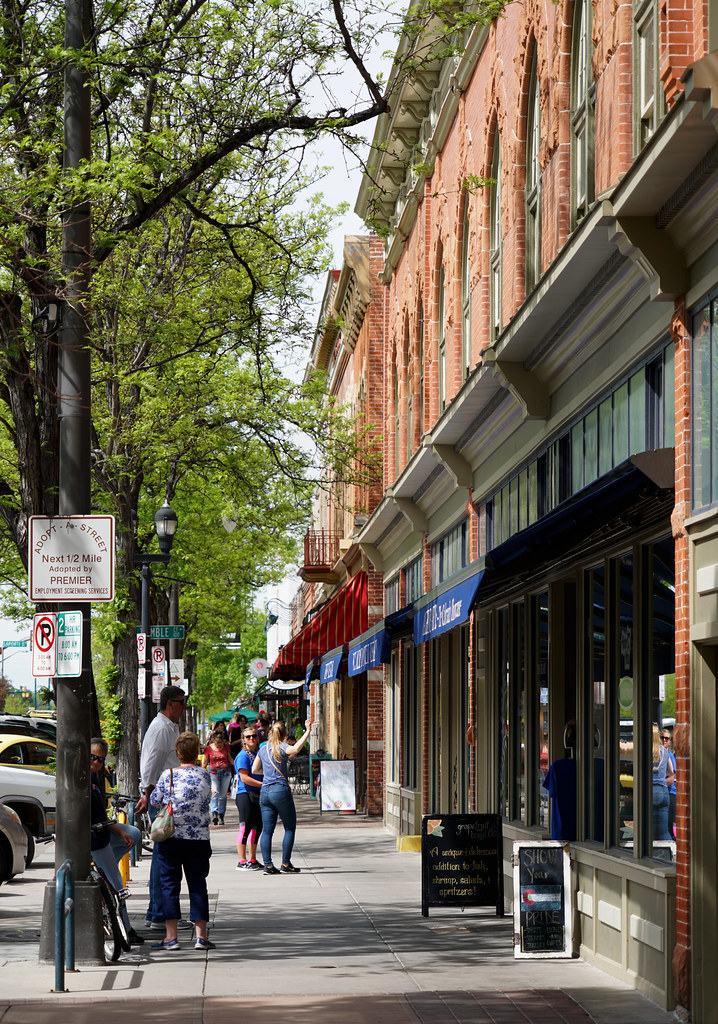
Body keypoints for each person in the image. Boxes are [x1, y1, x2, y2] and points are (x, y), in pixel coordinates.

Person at [149, 731, 215, 952]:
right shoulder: (205, 775)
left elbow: (154, 800)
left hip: (171, 837)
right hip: (198, 839)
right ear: (197, 752)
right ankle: (201, 936)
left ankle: (171, 937)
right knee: (198, 885)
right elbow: (207, 800)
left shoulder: (167, 775)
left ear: (177, 753)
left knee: (170, 885)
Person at [135, 685, 186, 931]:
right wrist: (146, 794)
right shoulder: (161, 729)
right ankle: (158, 913)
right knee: (164, 858)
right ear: (170, 704)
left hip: (165, 799)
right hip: (162, 801)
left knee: (165, 858)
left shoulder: (168, 727)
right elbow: (150, 764)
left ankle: (159, 912)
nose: (184, 707)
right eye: (181, 702)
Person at [90, 745, 144, 946]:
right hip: (95, 839)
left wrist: (119, 831)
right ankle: (126, 931)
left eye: (102, 759)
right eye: (93, 757)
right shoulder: (83, 779)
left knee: (134, 833)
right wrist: (117, 831)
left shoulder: (95, 777)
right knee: (118, 886)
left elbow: (102, 816)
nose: (97, 762)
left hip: (102, 832)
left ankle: (108, 863)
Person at [252, 718, 310, 875]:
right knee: (289, 827)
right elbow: (296, 749)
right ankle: (285, 863)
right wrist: (308, 731)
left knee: (267, 830)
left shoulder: (263, 749)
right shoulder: (283, 747)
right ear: (284, 734)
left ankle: (268, 865)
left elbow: (255, 769)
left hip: (265, 791)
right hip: (280, 791)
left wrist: (268, 773)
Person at [234, 726, 263, 870]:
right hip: (245, 794)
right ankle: (241, 860)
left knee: (256, 827)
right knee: (245, 826)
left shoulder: (257, 753)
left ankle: (252, 859)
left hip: (257, 794)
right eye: (248, 737)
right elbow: (244, 778)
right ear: (243, 740)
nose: (251, 738)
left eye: (254, 736)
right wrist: (262, 784)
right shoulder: (243, 756)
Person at [202, 727, 233, 825]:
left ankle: (221, 815)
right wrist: (201, 773)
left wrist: (238, 767)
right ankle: (214, 813)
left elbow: (230, 759)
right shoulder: (208, 749)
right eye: (217, 743)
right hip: (213, 773)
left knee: (223, 796)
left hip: (226, 772)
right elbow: (205, 762)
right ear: (213, 741)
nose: (219, 745)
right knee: (215, 792)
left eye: (221, 743)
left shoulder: (226, 746)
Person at [652, 723, 674, 841]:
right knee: (663, 831)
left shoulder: (644, 750)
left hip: (650, 789)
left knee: (646, 829)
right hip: (663, 791)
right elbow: (671, 772)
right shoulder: (665, 752)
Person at [662, 728, 677, 838]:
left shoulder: (669, 755)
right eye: (662, 738)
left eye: (667, 738)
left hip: (670, 793)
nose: (664, 740)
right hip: (664, 792)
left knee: (668, 823)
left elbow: (672, 778)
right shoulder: (661, 754)